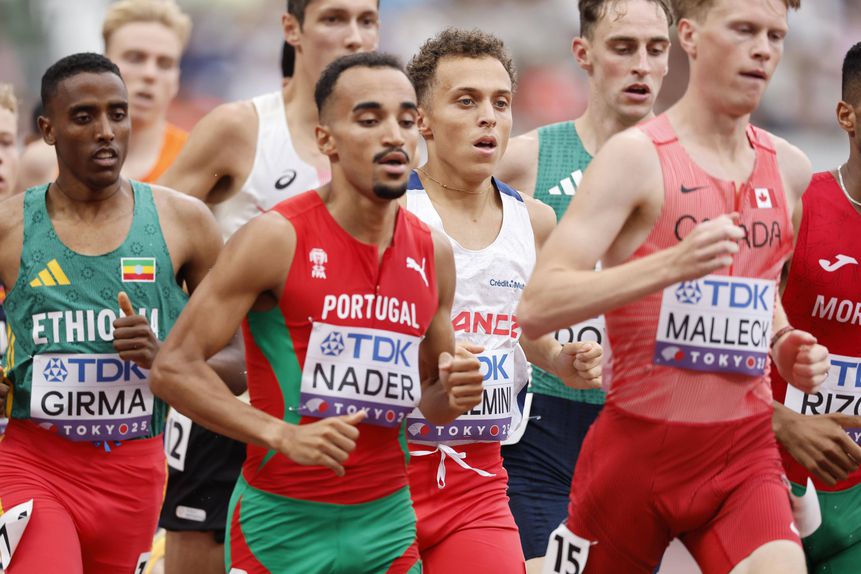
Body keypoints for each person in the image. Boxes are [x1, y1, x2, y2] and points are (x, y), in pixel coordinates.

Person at [518, 0, 831, 572]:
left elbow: (760, 302)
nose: (762, 48)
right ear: (690, 35)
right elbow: (536, 307)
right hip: (632, 459)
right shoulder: (633, 158)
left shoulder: (790, 168)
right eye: (743, 30)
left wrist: (787, 346)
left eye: (775, 35)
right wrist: (667, 267)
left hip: (743, 454)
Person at [149, 51, 485, 574]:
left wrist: (459, 391)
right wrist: (279, 434)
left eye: (404, 119)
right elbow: (173, 368)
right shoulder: (275, 237)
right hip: (280, 527)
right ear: (326, 139)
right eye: (369, 120)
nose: (393, 135)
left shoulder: (432, 253)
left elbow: (430, 404)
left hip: (388, 528)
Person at [156, 2, 380, 569]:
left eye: (367, 20)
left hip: (347, 415)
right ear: (291, 29)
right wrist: (195, 337)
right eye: (334, 18)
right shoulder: (242, 129)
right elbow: (145, 236)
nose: (354, 36)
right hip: (234, 406)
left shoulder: (397, 143)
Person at [0, 52, 228, 574]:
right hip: (35, 462)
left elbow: (240, 353)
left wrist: (167, 358)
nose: (106, 131)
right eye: (84, 117)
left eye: (117, 114)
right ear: (48, 129)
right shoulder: (10, 225)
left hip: (135, 473)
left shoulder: (185, 222)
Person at [402, 28, 602, 574]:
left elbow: (523, 331)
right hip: (386, 474)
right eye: (465, 101)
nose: (488, 117)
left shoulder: (533, 219)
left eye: (501, 102)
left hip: (480, 480)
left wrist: (560, 359)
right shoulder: (390, 214)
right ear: (421, 119)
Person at [494, 1, 672, 570]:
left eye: (656, 48)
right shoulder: (526, 160)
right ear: (584, 54)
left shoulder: (695, 171)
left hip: (645, 437)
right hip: (543, 427)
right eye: (623, 47)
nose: (642, 65)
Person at [771, 41, 861, 574]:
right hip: (773, 477)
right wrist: (780, 420)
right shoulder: (800, 206)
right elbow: (730, 336)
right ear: (846, 115)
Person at [16, 0, 192, 191]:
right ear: (104, 64)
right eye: (135, 58)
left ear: (177, 79)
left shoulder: (196, 158)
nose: (150, 74)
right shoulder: (45, 162)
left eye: (164, 64)